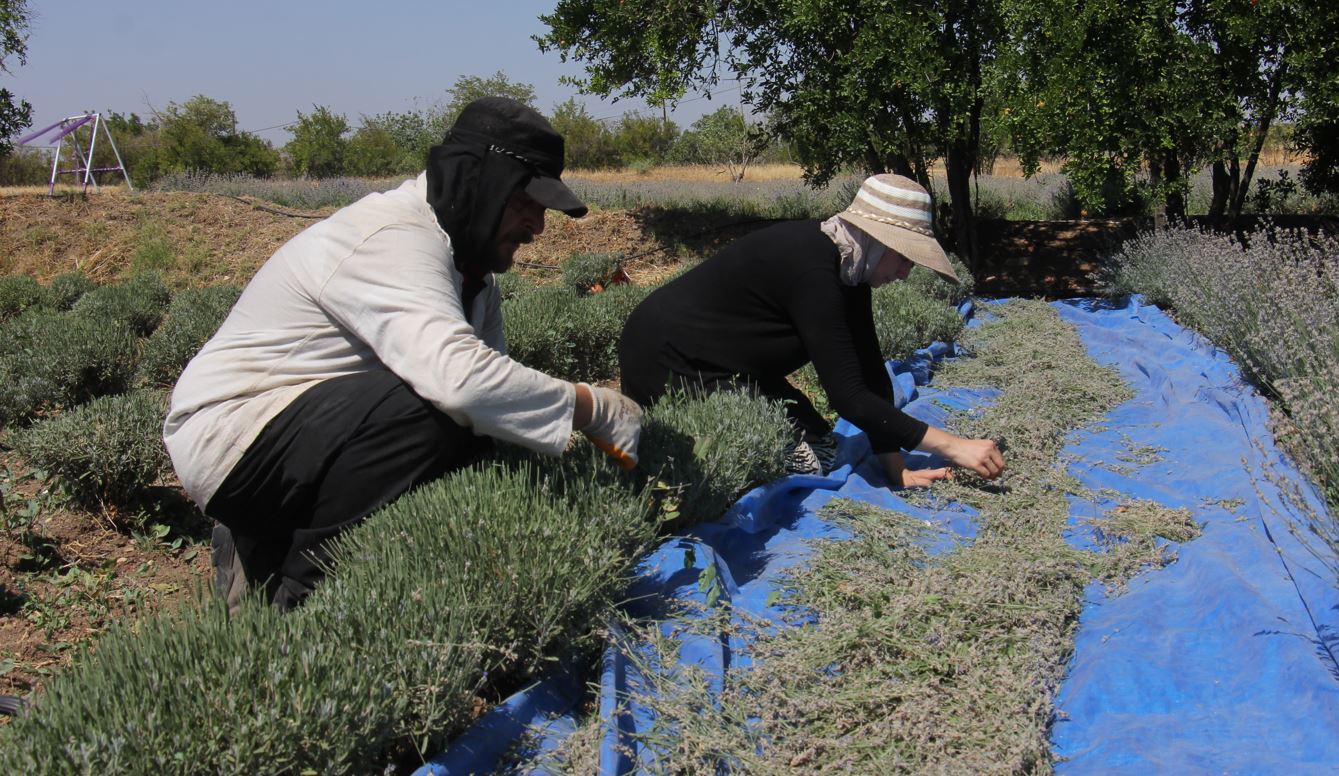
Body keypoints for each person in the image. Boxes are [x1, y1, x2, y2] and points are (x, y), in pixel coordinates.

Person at [164, 97, 642, 612]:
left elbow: (494, 408)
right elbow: (462, 384)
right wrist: (591, 408)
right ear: (480, 182)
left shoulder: (474, 276)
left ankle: (274, 543)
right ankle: (303, 604)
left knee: (473, 429)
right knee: (433, 408)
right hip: (231, 433)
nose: (538, 226)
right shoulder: (394, 237)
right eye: (527, 203)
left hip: (306, 434)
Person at [619, 173, 1003, 487]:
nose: (905, 273)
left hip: (730, 364)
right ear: (876, 240)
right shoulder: (813, 269)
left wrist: (896, 468)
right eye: (904, 257)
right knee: (781, 458)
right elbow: (848, 397)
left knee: (821, 448)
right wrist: (953, 446)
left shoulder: (849, 268)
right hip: (669, 359)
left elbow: (871, 375)